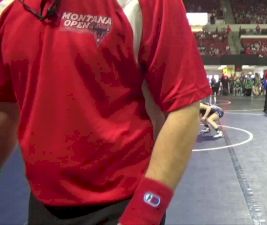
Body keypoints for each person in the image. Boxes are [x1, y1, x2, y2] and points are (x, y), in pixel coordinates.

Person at [0, 1, 211, 225]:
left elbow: (185, 109)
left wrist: (144, 214)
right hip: (43, 206)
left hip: (120, 208)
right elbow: (6, 108)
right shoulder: (11, 8)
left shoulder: (147, 4)